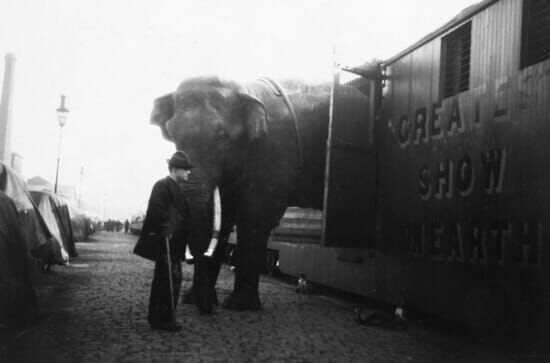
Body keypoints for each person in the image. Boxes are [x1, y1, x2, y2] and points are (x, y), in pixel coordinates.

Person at [133, 151, 193, 332]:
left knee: (172, 280)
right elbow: (156, 211)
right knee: (166, 281)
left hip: (174, 245)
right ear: (175, 169)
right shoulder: (162, 186)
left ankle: (162, 317)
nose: (189, 173)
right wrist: (165, 229)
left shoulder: (177, 188)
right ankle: (162, 318)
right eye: (186, 169)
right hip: (166, 243)